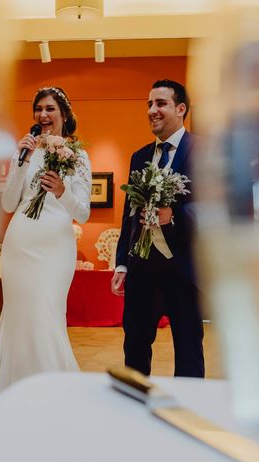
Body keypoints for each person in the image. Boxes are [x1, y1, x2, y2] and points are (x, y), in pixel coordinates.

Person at [0, 86, 92, 396]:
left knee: (46, 312)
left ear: (63, 115)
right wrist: (20, 162)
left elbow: (83, 213)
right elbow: (8, 204)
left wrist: (62, 190)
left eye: (50, 109)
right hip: (20, 241)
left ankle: (53, 393)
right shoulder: (24, 153)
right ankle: (13, 390)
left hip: (55, 246)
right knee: (19, 315)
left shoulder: (79, 154)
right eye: (39, 109)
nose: (43, 115)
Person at [111, 79, 204, 378]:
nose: (152, 110)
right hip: (142, 271)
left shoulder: (202, 151)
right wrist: (122, 262)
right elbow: (129, 213)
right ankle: (134, 410)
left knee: (189, 351)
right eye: (149, 104)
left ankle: (189, 412)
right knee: (135, 350)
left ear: (181, 109)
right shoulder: (139, 156)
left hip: (184, 270)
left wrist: (174, 215)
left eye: (160, 103)